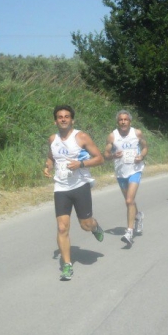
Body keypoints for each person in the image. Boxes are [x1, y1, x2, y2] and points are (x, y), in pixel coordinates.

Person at [44, 105, 105, 280]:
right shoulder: (52, 139)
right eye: (60, 117)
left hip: (80, 185)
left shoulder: (81, 137)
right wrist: (48, 166)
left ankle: (95, 226)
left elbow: (99, 159)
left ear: (72, 120)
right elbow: (51, 156)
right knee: (62, 227)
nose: (63, 119)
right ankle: (67, 265)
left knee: (85, 225)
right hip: (61, 187)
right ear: (55, 120)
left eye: (67, 116)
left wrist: (81, 164)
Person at [104, 110, 148, 246]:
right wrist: (113, 156)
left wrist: (141, 156)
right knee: (130, 201)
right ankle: (138, 216)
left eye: (126, 119)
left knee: (129, 200)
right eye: (121, 120)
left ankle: (129, 232)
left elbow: (145, 146)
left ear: (130, 121)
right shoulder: (112, 136)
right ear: (118, 122)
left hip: (135, 170)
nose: (123, 122)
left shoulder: (137, 133)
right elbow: (105, 154)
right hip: (120, 172)